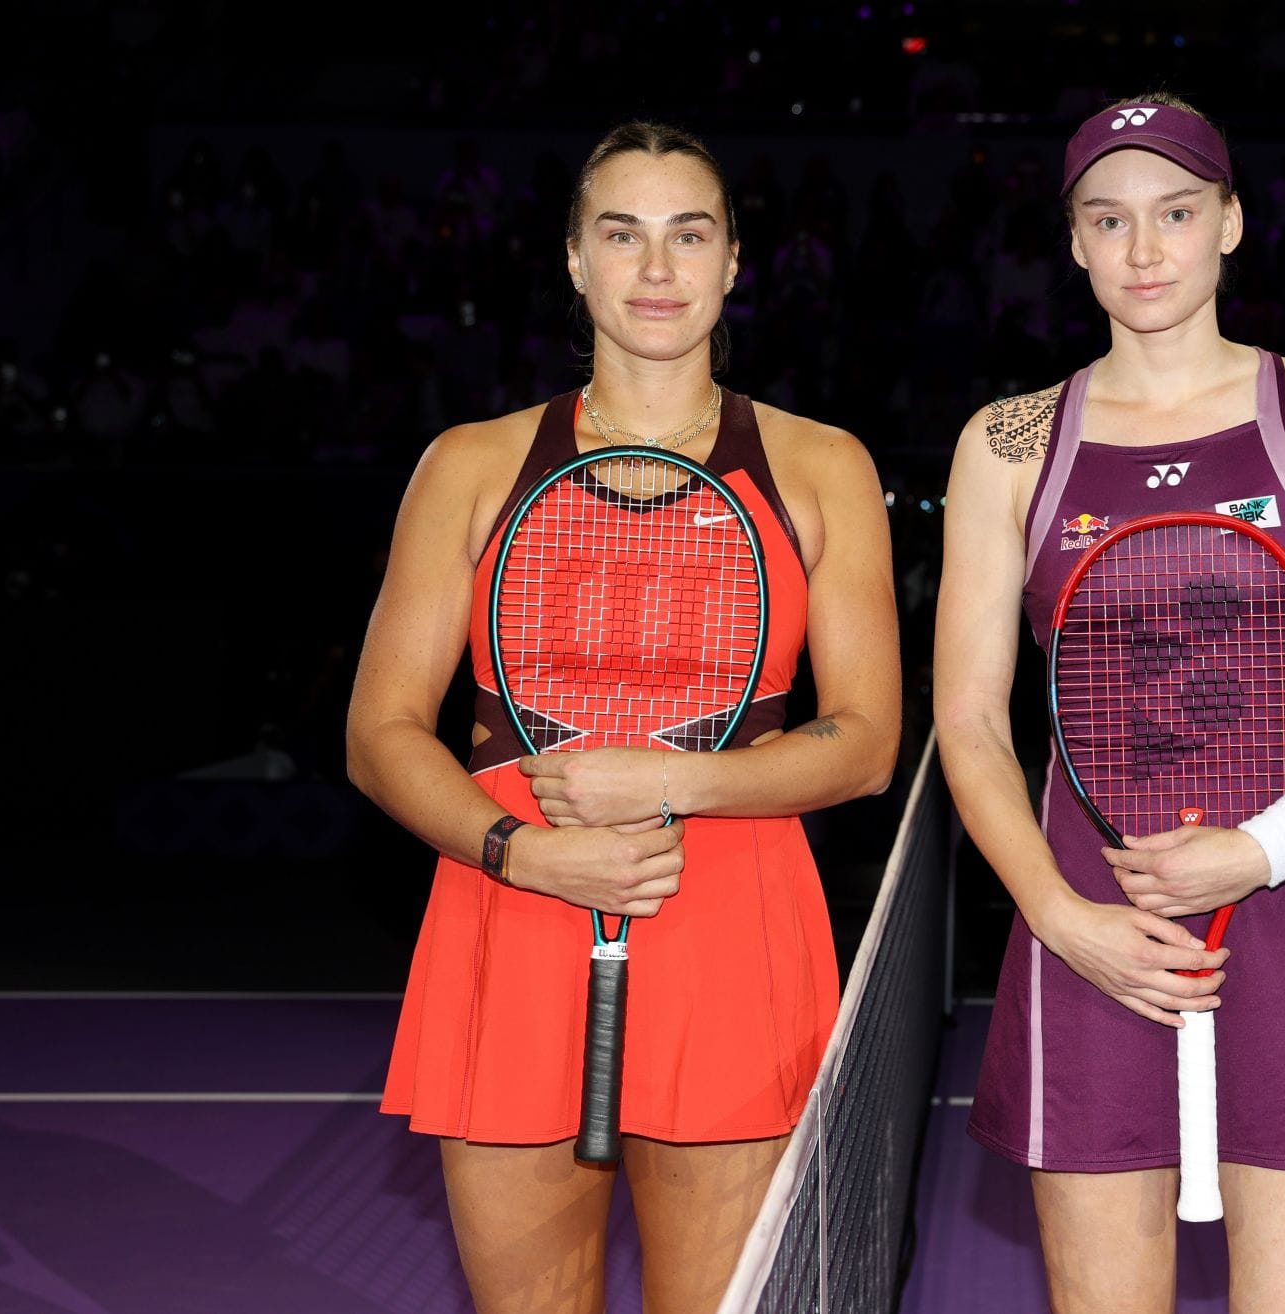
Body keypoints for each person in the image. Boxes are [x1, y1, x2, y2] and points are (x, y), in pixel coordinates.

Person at [346, 120, 901, 1314]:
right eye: (624, 235)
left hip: (731, 916)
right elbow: (381, 730)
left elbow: (865, 745)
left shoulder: (819, 466)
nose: (658, 269)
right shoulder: (473, 461)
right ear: (575, 262)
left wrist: (667, 786)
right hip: (512, 910)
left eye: (688, 235)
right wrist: (530, 850)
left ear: (734, 262)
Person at [935, 95, 1285, 1313]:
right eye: (1109, 220)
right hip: (1088, 932)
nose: (1144, 249)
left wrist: (1262, 849)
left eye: (1174, 213)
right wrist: (1063, 917)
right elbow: (969, 720)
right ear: (1073, 243)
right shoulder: (1007, 442)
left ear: (1231, 224)